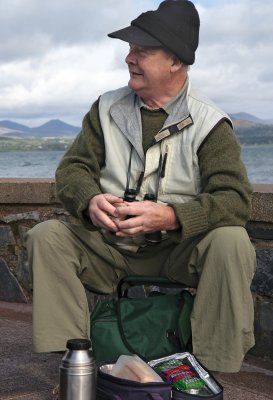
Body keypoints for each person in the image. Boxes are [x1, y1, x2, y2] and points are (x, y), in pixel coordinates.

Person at [26, 0, 256, 373]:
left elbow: (234, 200)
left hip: (178, 253)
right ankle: (75, 364)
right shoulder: (105, 108)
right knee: (46, 235)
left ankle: (211, 372)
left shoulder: (211, 124)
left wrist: (170, 216)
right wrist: (89, 199)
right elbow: (72, 169)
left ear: (176, 61)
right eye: (129, 49)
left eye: (142, 51)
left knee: (232, 241)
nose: (129, 59)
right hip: (109, 248)